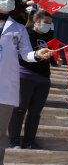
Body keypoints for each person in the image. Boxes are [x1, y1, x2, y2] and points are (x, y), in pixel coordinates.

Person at [0, 0, 52, 165]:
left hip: (5, 89)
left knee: (0, 137)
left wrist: (38, 54)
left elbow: (26, 54)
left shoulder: (18, 28)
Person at [8, 10, 58, 149]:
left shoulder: (48, 37)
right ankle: (14, 140)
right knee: (19, 109)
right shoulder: (25, 33)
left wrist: (55, 61)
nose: (48, 25)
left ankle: (29, 141)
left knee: (35, 113)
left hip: (43, 78)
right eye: (45, 22)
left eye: (50, 23)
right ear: (36, 21)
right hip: (26, 74)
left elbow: (50, 56)